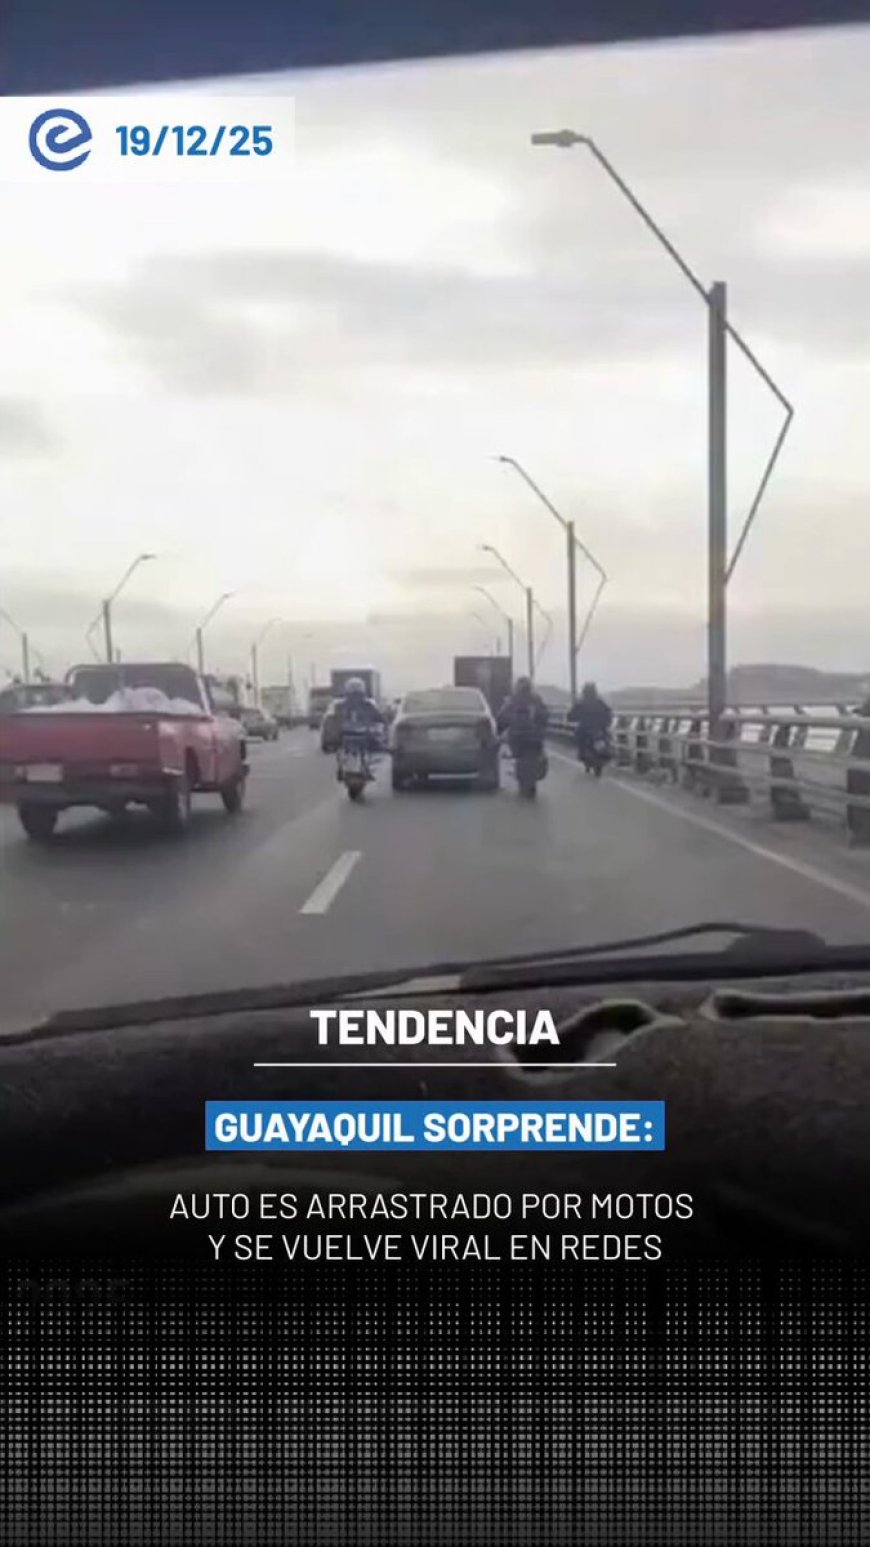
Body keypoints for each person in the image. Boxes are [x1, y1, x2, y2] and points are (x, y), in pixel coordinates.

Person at [332, 678, 386, 777]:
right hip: (360, 733)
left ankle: (343, 767)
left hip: (348, 733)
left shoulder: (340, 705)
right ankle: (364, 767)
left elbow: (335, 719)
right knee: (375, 746)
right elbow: (379, 717)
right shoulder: (368, 704)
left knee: (339, 747)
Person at [497, 676, 549, 753]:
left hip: (517, 737)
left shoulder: (513, 699)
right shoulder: (537, 699)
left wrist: (499, 732)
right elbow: (545, 715)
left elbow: (501, 717)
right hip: (534, 738)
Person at [567, 681, 613, 762]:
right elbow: (608, 714)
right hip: (600, 728)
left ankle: (582, 752)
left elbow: (571, 716)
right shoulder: (600, 702)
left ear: (584, 692)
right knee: (607, 736)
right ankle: (607, 752)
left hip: (586, 728)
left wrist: (572, 718)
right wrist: (606, 722)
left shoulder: (581, 703)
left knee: (578, 735)